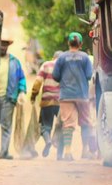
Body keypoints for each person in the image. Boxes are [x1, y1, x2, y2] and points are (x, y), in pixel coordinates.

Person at [52, 32, 94, 161]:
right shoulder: (85, 57)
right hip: (82, 95)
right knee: (86, 123)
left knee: (68, 124)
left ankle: (68, 152)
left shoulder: (62, 58)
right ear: (80, 44)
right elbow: (88, 75)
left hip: (66, 95)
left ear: (68, 43)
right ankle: (85, 151)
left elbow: (55, 76)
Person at [30, 50, 62, 158]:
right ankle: (59, 155)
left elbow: (38, 82)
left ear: (53, 57)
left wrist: (33, 95)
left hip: (47, 100)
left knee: (45, 126)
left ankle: (48, 140)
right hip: (61, 102)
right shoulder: (65, 66)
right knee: (61, 127)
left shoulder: (46, 65)